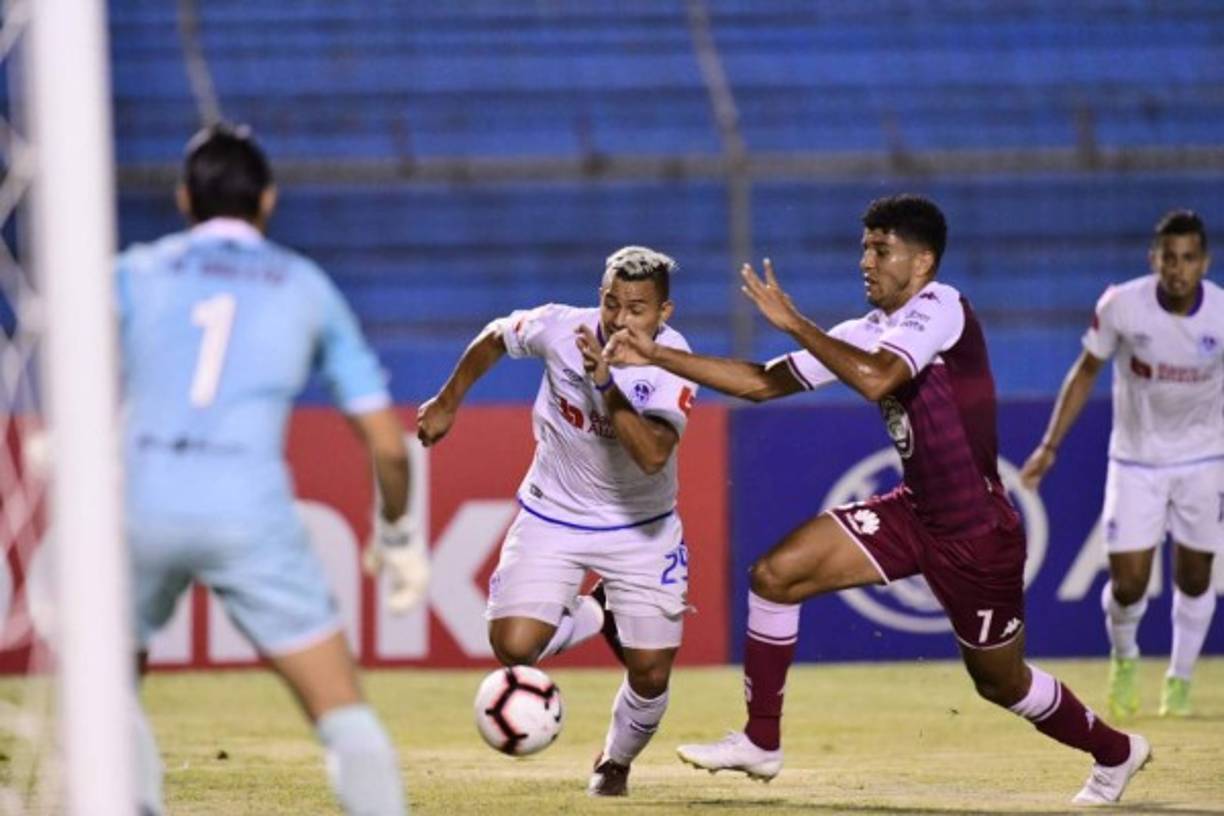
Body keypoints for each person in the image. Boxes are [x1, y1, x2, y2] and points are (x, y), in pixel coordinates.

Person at [604, 194, 1150, 806]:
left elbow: (878, 379)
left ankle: (1116, 751)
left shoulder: (942, 306)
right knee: (775, 575)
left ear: (922, 262)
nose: (865, 260)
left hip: (978, 533)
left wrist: (794, 323)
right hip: (912, 513)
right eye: (864, 246)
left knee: (1000, 682)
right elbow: (761, 383)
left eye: (881, 249)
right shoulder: (863, 331)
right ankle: (761, 742)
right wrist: (657, 355)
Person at [118, 123, 427, 816]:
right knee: (343, 713)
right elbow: (385, 442)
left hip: (137, 499)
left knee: (108, 689)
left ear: (182, 199)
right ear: (267, 201)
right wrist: (399, 534)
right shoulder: (304, 286)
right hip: (246, 510)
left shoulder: (134, 272)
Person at [416, 246, 697, 797]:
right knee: (514, 647)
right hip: (554, 515)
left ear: (664, 314)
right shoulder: (560, 328)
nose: (619, 318)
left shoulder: (673, 361)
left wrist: (604, 386)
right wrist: (448, 400)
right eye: (611, 302)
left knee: (651, 674)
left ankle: (615, 762)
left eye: (637, 308)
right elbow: (498, 334)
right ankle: (597, 614)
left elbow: (653, 454)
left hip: (642, 528)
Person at [1020, 209, 1221, 719]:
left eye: (1189, 259)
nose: (1178, 269)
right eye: (1169, 258)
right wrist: (1050, 445)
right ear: (1154, 259)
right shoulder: (1122, 306)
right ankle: (1125, 658)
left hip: (1204, 459)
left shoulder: (1221, 314)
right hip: (1134, 460)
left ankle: (1179, 678)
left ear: (1205, 262)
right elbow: (1086, 371)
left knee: (1196, 578)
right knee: (1129, 583)